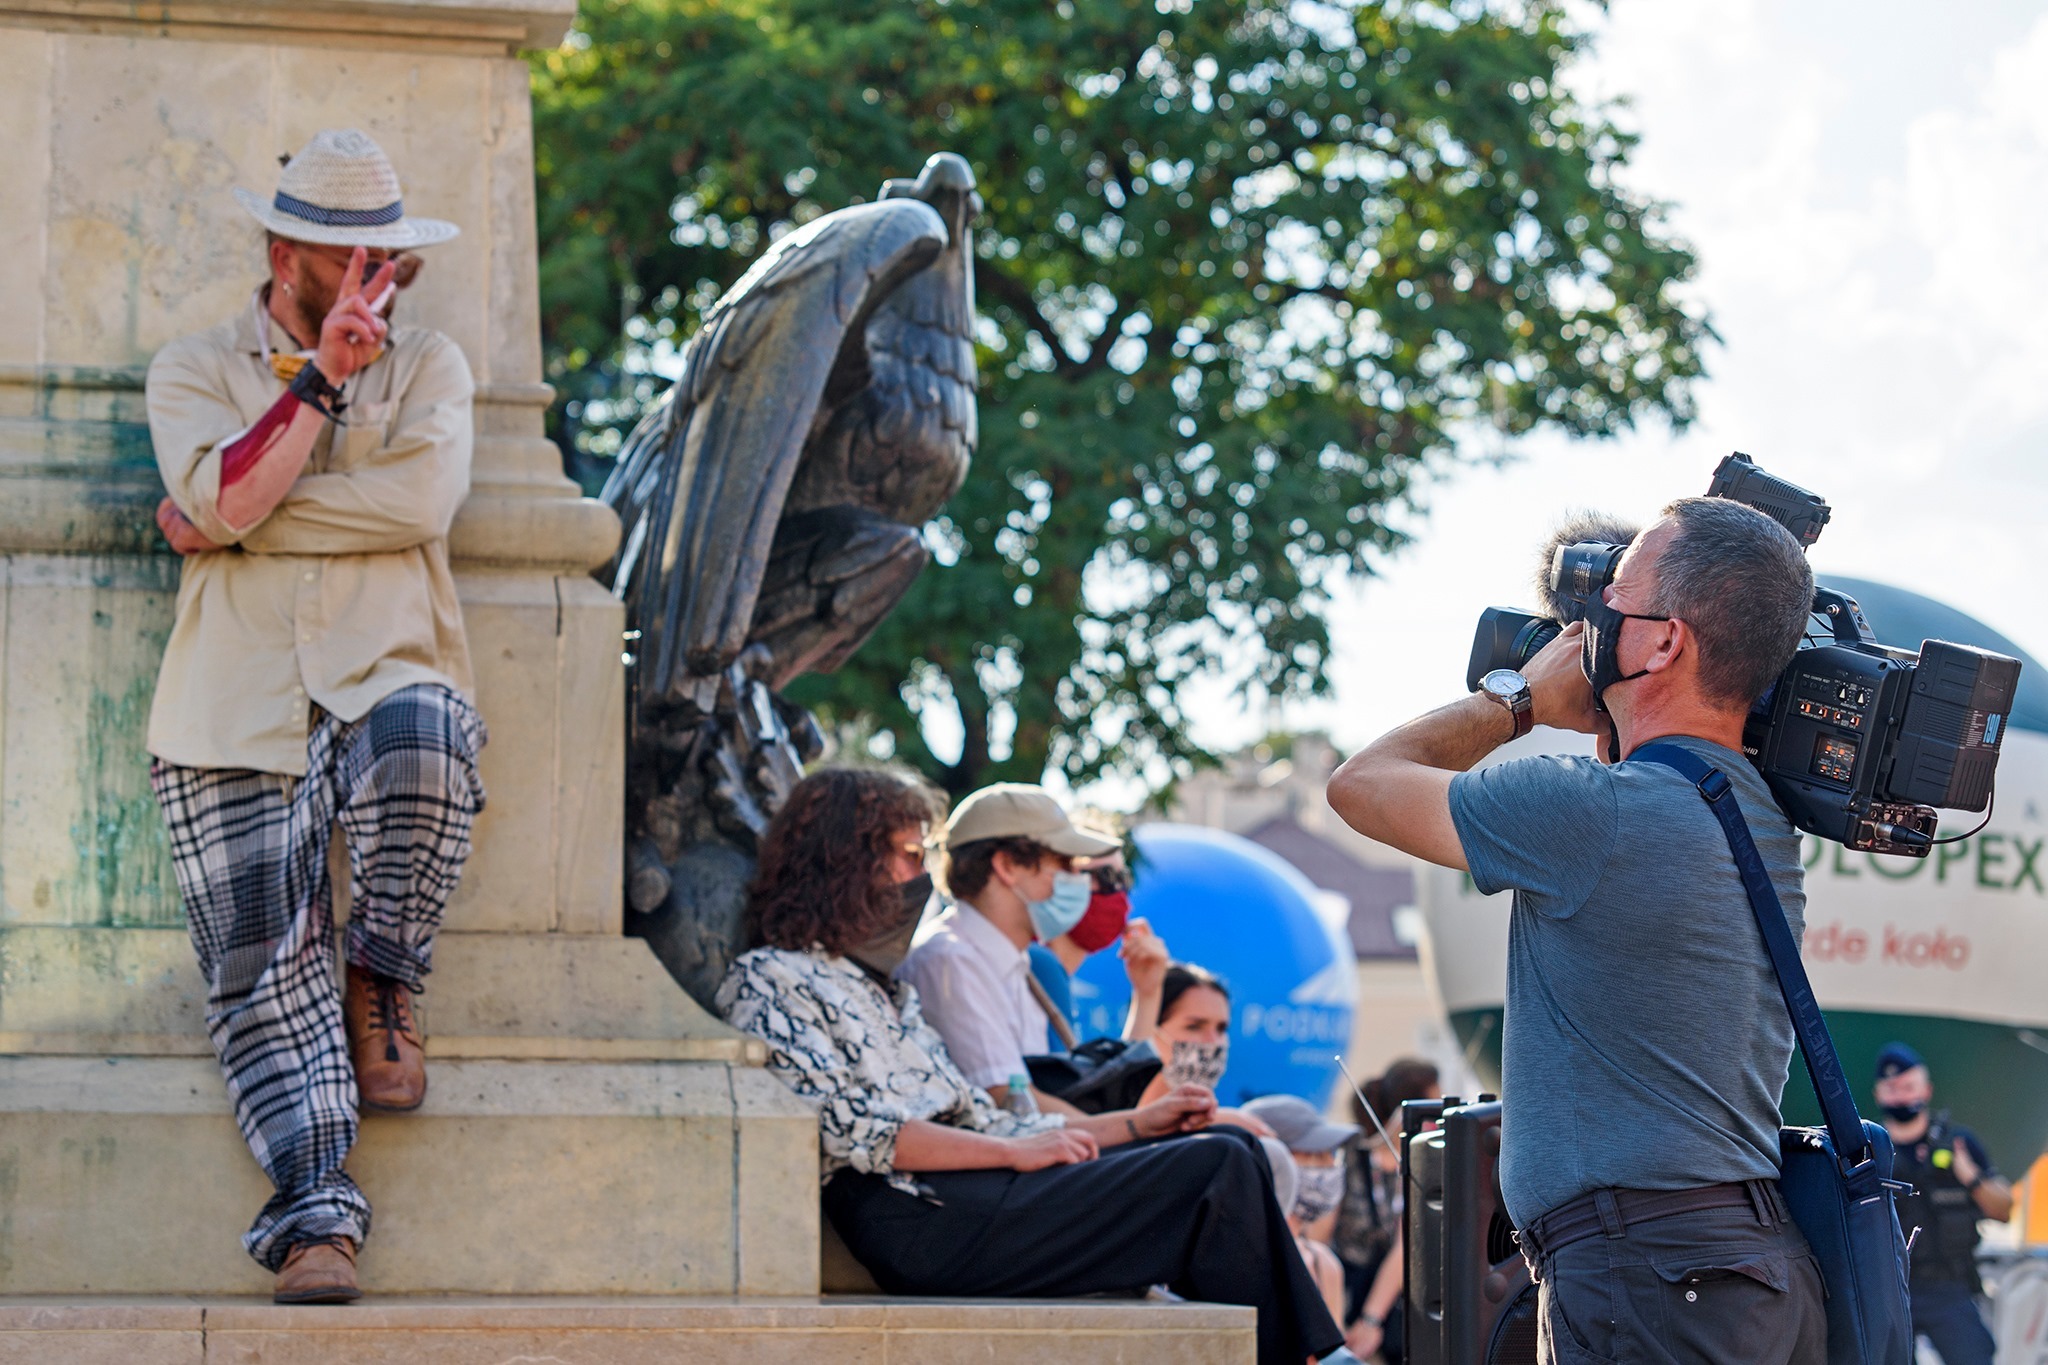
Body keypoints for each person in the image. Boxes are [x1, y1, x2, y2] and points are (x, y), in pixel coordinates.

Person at [1327, 497, 1828, 1364]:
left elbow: (1361, 784)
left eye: (1610, 606)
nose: (1588, 629)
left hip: (1649, 1275)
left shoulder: (1594, 815)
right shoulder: (1751, 809)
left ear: (1665, 642)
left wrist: (1517, 699)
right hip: (1740, 1269)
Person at [143, 129, 481, 1306]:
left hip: (384, 668)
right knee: (263, 971)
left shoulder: (432, 364)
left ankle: (381, 974)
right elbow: (229, 492)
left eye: (388, 256)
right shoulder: (190, 367)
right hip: (226, 706)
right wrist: (320, 385)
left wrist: (228, 519)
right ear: (285, 252)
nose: (377, 282)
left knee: (428, 742)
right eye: (350, 260)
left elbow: (422, 500)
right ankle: (313, 1224)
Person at [714, 768, 1351, 1365]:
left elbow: (990, 1115)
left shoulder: (885, 991)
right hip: (918, 1216)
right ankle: (1318, 1354)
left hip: (970, 1193)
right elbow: (858, 1131)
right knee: (1218, 1164)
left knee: (1229, 1146)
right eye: (908, 854)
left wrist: (1139, 1125)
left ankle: (1300, 1352)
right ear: (846, 861)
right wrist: (1017, 1155)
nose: (919, 874)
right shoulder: (771, 978)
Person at [899, 782, 1125, 1112]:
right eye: (1063, 862)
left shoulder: (1008, 960)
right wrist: (1135, 1127)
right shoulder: (951, 960)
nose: (1076, 877)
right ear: (1006, 866)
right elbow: (1010, 1101)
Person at [1874, 1042, 2014, 1365]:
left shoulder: (1959, 1144)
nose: (1900, 1096)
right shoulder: (1870, 1149)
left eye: (1908, 1086)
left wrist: (1970, 1176)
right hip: (1890, 1289)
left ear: (1927, 1090)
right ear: (1879, 1095)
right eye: (1891, 1088)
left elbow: (2004, 1209)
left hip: (1949, 1287)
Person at [1333, 1058, 1440, 1363]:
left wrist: (1372, 1319)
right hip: (1347, 1307)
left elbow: (1407, 1246)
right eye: (1434, 1106)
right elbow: (1320, 1239)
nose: (1441, 1116)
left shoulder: (1428, 1161)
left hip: (1397, 1316)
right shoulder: (1351, 1158)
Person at [1246, 1095, 1359, 1329]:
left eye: (1332, 1154)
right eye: (1314, 1153)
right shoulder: (1237, 1262)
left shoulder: (1323, 1263)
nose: (1330, 1165)